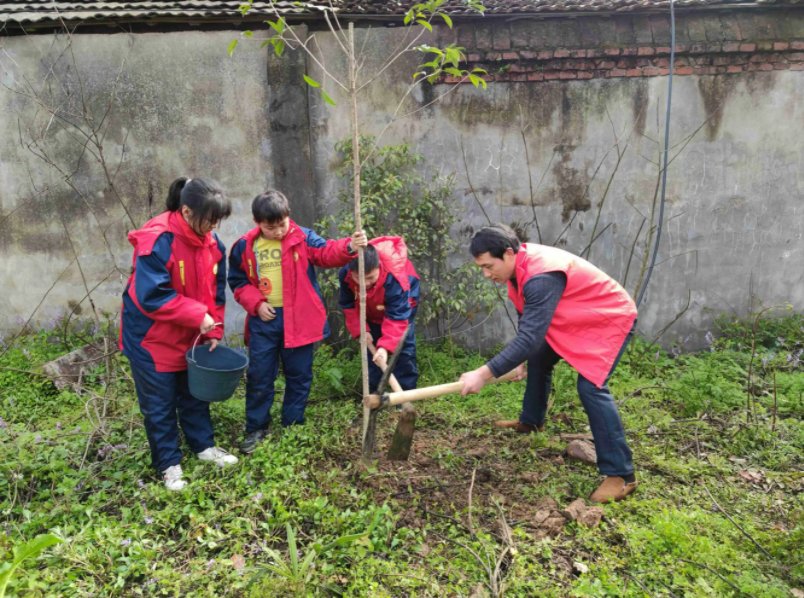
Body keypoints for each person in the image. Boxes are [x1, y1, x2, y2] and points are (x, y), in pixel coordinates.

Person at [459, 224, 638, 503]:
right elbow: (528, 324)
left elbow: (530, 336)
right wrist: (521, 358)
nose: (485, 274)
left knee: (591, 387)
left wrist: (484, 373)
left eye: (488, 266)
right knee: (539, 356)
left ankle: (621, 475)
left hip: (608, 317)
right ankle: (531, 422)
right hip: (575, 316)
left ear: (508, 253)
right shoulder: (517, 271)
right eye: (480, 267)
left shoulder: (540, 276)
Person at [120, 177, 238, 492]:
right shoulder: (158, 240)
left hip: (191, 335)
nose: (213, 226)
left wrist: (215, 327)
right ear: (186, 211)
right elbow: (151, 296)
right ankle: (169, 464)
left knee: (195, 394)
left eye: (218, 220)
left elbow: (217, 293)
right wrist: (197, 315)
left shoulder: (214, 245)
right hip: (151, 338)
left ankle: (203, 447)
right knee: (159, 404)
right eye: (209, 219)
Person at [228, 190, 367, 454]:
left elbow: (327, 253)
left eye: (282, 224)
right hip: (264, 321)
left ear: (288, 216)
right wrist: (256, 303)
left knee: (299, 375)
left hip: (299, 319)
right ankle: (256, 428)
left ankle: (292, 423)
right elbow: (237, 281)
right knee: (259, 376)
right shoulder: (245, 246)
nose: (279, 231)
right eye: (271, 228)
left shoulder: (302, 237)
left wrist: (349, 246)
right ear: (257, 223)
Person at [338, 237, 420, 392]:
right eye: (359, 278)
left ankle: (406, 393)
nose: (365, 283)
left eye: (370, 278)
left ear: (379, 268)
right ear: (351, 272)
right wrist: (362, 331)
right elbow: (348, 305)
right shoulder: (346, 274)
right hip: (371, 308)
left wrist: (385, 347)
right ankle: (376, 393)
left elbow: (398, 317)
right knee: (373, 351)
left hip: (401, 309)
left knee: (402, 349)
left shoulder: (395, 278)